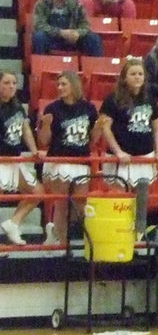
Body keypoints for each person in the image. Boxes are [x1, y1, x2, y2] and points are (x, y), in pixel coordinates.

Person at [37, 72, 98, 246]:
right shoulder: (52, 109)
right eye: (58, 85)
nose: (60, 88)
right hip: (59, 160)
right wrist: (46, 125)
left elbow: (92, 140)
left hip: (81, 161)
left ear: (74, 85)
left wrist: (100, 128)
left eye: (64, 84)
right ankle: (62, 245)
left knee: (80, 204)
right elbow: (43, 141)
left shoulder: (89, 108)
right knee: (62, 204)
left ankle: (55, 231)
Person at [98, 58, 158, 198]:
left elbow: (157, 127)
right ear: (124, 78)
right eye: (133, 74)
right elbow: (106, 129)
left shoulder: (149, 98)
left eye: (140, 74)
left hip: (144, 157)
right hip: (121, 158)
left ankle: (139, 221)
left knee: (141, 203)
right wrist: (118, 152)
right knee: (118, 201)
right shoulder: (113, 99)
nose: (137, 77)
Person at [0, 72, 44, 246]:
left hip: (15, 160)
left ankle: (13, 223)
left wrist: (34, 151)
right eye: (6, 83)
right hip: (1, 160)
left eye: (14, 83)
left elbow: (26, 130)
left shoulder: (18, 107)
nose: (12, 86)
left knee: (38, 192)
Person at [32, 0, 103, 57]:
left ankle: (95, 68)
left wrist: (77, 33)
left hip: (72, 40)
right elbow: (39, 25)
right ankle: (41, 66)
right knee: (39, 37)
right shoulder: (42, 3)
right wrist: (60, 32)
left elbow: (86, 26)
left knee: (94, 38)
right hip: (52, 38)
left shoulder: (76, 4)